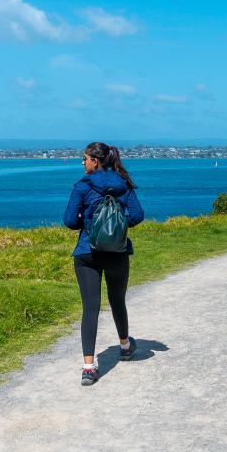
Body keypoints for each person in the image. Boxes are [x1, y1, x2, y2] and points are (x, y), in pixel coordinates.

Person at [63, 141, 145, 386]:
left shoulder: (83, 186)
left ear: (95, 161)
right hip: (117, 252)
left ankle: (89, 367)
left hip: (87, 252)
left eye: (85, 158)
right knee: (117, 300)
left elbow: (69, 221)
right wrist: (117, 227)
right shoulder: (124, 184)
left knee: (90, 308)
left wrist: (87, 224)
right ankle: (125, 346)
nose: (82, 162)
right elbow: (138, 215)